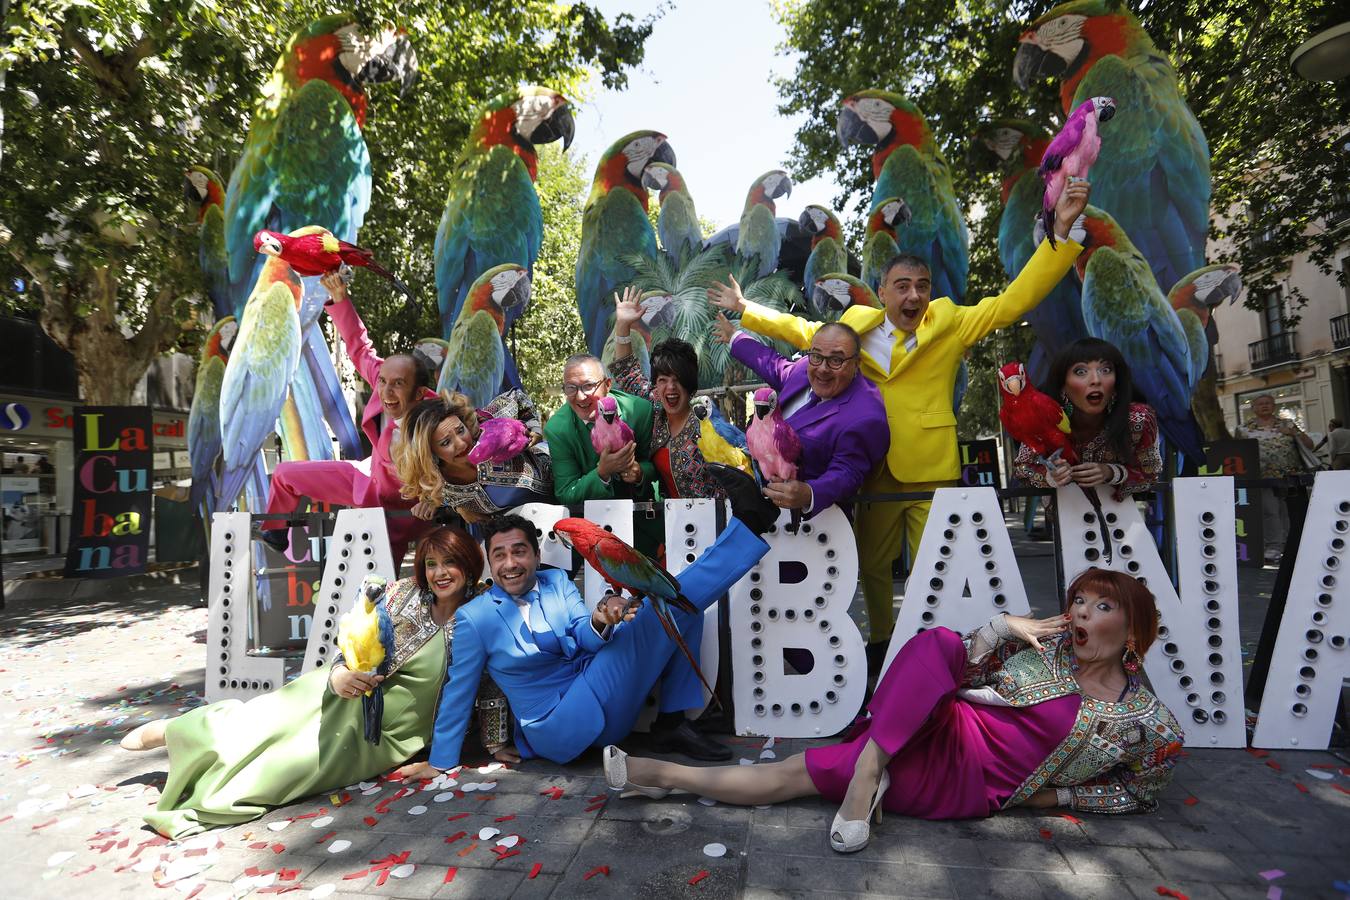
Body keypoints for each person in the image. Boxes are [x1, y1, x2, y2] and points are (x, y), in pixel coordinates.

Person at [711, 182, 1092, 659]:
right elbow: (807, 332)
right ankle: (880, 645)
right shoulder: (858, 325)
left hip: (931, 470)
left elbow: (1012, 303)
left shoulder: (950, 322)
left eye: (923, 287)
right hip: (871, 470)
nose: (915, 296)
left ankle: (937, 649)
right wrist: (748, 311)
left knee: (940, 565)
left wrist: (1060, 239)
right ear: (883, 293)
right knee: (872, 565)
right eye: (903, 287)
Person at [603, 568, 1183, 853]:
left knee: (798, 773)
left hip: (963, 780)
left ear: (1133, 628)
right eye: (1078, 599)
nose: (1080, 612)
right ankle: (866, 769)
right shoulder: (1045, 643)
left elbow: (1140, 792)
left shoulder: (1150, 722)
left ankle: (666, 777)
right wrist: (1002, 629)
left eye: (1101, 605)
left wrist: (1050, 799)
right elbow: (961, 674)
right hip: (935, 723)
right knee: (939, 644)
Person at [121, 526, 514, 838]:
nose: (440, 573)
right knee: (258, 722)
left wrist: (496, 745)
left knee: (283, 772)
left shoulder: (484, 612)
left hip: (381, 736)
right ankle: (179, 731)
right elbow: (356, 639)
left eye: (450, 563)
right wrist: (339, 673)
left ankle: (197, 759)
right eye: (431, 563)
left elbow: (491, 683)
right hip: (333, 694)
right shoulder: (400, 594)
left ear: (470, 565)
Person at [400, 474, 780, 778]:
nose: (510, 563)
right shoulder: (475, 617)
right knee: (668, 604)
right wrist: (441, 760)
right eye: (499, 555)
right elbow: (458, 688)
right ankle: (749, 525)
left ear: (535, 555)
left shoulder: (557, 583)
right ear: (488, 561)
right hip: (557, 727)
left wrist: (600, 619)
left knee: (680, 610)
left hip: (601, 694)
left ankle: (672, 722)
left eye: (519, 551)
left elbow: (585, 634)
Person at [259, 272, 437, 565]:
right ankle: (276, 530)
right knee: (285, 474)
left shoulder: (437, 412)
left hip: (406, 513)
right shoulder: (384, 379)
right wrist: (340, 299)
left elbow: (469, 434)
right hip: (368, 484)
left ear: (419, 393)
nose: (387, 391)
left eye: (398, 385)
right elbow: (360, 348)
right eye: (383, 382)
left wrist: (520, 427)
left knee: (383, 584)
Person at [712, 316, 889, 518]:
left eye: (836, 360)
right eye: (817, 356)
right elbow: (773, 365)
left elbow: (848, 472)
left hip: (813, 524)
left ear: (857, 363)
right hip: (757, 507)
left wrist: (809, 493)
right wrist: (735, 337)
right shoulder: (806, 368)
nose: (823, 368)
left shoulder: (867, 416)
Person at [610, 287, 724, 499]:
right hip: (671, 523)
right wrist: (623, 326)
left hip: (713, 522)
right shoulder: (656, 405)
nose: (670, 387)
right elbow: (627, 372)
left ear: (689, 385)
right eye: (663, 380)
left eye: (677, 380)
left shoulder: (707, 421)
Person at [1012, 338, 1162, 499]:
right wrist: (1050, 476)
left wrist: (1111, 472)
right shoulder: (1043, 418)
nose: (1096, 380)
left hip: (1119, 517)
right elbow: (1022, 469)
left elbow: (1151, 474)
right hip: (1063, 515)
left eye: (1105, 370)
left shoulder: (1139, 418)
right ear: (1063, 384)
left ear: (1116, 381)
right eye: (1081, 372)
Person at [543, 353, 661, 550]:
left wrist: (639, 473)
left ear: (607, 385)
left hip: (645, 527)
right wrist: (602, 473)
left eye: (588, 386)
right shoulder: (558, 430)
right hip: (593, 534)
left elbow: (658, 469)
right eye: (571, 388)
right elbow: (565, 492)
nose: (580, 396)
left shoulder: (639, 411)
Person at [396, 389, 552, 525]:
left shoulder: (487, 426)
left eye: (460, 430)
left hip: (564, 487)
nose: (461, 444)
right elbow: (441, 499)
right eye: (446, 442)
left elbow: (517, 396)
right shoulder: (436, 483)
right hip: (533, 534)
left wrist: (534, 427)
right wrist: (459, 508)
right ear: (429, 453)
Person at [1236, 394, 1315, 564]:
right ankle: (1273, 546)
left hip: (1290, 476)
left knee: (1287, 511)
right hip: (1262, 476)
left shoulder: (1287, 424)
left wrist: (1294, 434)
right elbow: (1238, 453)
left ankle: (1290, 545)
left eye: (1268, 403)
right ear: (1254, 408)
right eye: (1260, 403)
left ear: (1274, 407)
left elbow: (1310, 445)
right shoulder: (1243, 429)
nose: (1264, 406)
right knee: (1270, 511)